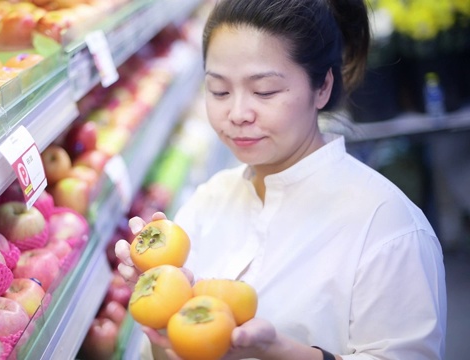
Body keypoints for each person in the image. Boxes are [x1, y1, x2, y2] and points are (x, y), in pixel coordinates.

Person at [114, 0, 447, 359]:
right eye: (220, 91)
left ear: (322, 88)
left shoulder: (387, 228)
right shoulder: (206, 202)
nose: (237, 113)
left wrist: (279, 351)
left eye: (265, 91)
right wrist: (164, 317)